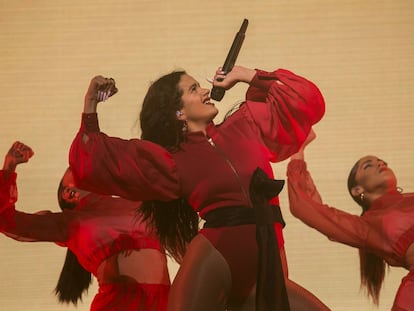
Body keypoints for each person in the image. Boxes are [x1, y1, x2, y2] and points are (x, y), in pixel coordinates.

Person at [69, 66, 327, 311]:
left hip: (266, 260)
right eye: (193, 89)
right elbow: (95, 159)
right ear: (178, 113)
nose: (205, 91)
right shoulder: (171, 159)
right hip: (217, 256)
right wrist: (91, 102)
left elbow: (307, 101)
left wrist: (246, 74)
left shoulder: (247, 122)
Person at [0, 141, 170, 311]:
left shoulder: (139, 203)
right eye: (79, 171)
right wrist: (9, 166)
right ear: (70, 194)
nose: (88, 168)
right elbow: (6, 221)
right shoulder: (70, 222)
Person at [287, 130, 414, 311]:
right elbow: (305, 207)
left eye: (382, 162)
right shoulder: (367, 226)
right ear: (357, 190)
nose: (381, 163)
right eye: (369, 165)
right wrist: (298, 150)